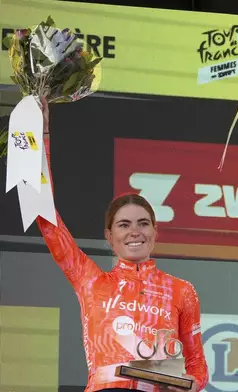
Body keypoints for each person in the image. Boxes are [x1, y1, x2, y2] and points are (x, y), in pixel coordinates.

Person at [36, 97, 208, 392]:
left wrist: (188, 384)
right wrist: (41, 138)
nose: (135, 232)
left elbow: (197, 367)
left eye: (143, 223)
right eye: (124, 225)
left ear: (155, 232)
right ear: (109, 236)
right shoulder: (91, 281)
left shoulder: (183, 291)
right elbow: (48, 222)